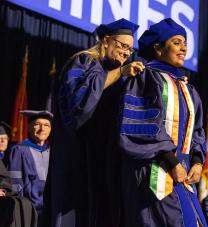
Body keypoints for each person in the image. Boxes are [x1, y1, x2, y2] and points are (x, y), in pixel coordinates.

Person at [48, 18, 144, 227]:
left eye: (130, 49)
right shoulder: (83, 61)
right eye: (123, 46)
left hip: (105, 155)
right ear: (107, 40)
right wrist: (120, 72)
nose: (127, 53)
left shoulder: (121, 76)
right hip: (78, 151)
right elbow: (78, 105)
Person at [118, 18, 207, 226]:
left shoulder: (187, 88)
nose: (184, 48)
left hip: (182, 175)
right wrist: (172, 162)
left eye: (185, 43)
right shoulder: (145, 78)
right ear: (158, 48)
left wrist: (197, 161)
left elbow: (198, 131)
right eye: (177, 42)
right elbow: (142, 126)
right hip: (153, 173)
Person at [7, 110, 52, 223]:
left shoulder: (53, 150)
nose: (42, 129)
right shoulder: (19, 150)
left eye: (47, 125)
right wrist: (20, 204)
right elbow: (14, 179)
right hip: (30, 206)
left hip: (51, 205)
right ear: (29, 128)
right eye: (37, 124)